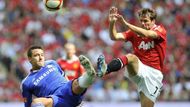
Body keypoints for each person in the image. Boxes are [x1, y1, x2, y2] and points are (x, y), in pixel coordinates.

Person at [97, 7, 167, 107]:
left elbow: (148, 34)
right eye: (141, 21)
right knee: (131, 57)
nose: (143, 23)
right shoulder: (134, 32)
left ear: (153, 21)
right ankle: (105, 70)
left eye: (146, 21)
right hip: (139, 67)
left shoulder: (160, 29)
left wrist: (126, 24)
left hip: (154, 74)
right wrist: (112, 23)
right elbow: (114, 37)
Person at [21, 45, 96, 107]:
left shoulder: (52, 63)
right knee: (36, 103)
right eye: (36, 55)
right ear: (30, 59)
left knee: (76, 83)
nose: (40, 58)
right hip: (55, 99)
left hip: (67, 89)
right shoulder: (26, 82)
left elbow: (65, 77)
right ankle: (89, 76)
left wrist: (73, 93)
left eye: (42, 55)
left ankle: (89, 75)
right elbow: (27, 105)